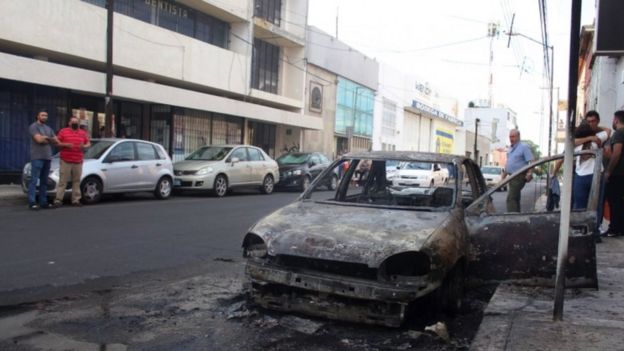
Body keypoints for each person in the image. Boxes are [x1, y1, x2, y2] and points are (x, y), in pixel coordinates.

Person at [53, 116, 91, 207]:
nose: (75, 123)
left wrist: (84, 147)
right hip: (66, 160)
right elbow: (57, 143)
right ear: (69, 123)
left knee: (76, 181)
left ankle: (76, 200)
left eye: (76, 122)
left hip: (78, 160)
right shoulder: (63, 131)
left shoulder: (83, 133)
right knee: (63, 181)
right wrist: (65, 144)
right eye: (73, 122)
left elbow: (88, 143)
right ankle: (58, 200)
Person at [27, 110, 59, 210]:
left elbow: (56, 141)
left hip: (47, 157)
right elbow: (39, 140)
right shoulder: (33, 126)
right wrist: (48, 139)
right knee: (34, 180)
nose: (45, 117)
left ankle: (43, 201)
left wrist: (46, 138)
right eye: (42, 115)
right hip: (37, 157)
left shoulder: (48, 128)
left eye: (46, 115)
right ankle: (32, 202)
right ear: (38, 116)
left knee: (44, 181)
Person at [502, 129, 534, 212]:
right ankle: (517, 217)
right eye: (510, 137)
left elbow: (532, 161)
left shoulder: (524, 147)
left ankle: (511, 218)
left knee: (511, 199)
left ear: (518, 137)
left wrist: (529, 173)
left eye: (513, 136)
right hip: (511, 176)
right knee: (515, 198)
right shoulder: (510, 149)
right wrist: (503, 178)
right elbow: (508, 164)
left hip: (519, 176)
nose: (511, 139)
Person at [603, 110, 624, 237]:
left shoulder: (619, 133)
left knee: (614, 201)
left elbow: (616, 153)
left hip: (617, 174)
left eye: (613, 119)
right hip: (620, 174)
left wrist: (608, 171)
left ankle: (615, 228)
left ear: (616, 120)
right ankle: (619, 228)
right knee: (618, 201)